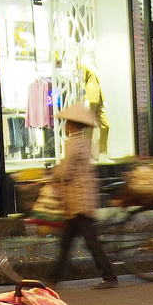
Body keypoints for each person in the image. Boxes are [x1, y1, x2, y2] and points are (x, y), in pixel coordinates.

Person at [50, 102, 119, 290]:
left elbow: (67, 170)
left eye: (67, 123)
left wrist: (53, 174)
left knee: (89, 243)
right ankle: (53, 279)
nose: (65, 126)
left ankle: (109, 276)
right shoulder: (83, 142)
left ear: (72, 125)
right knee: (67, 243)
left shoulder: (75, 144)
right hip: (79, 200)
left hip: (79, 201)